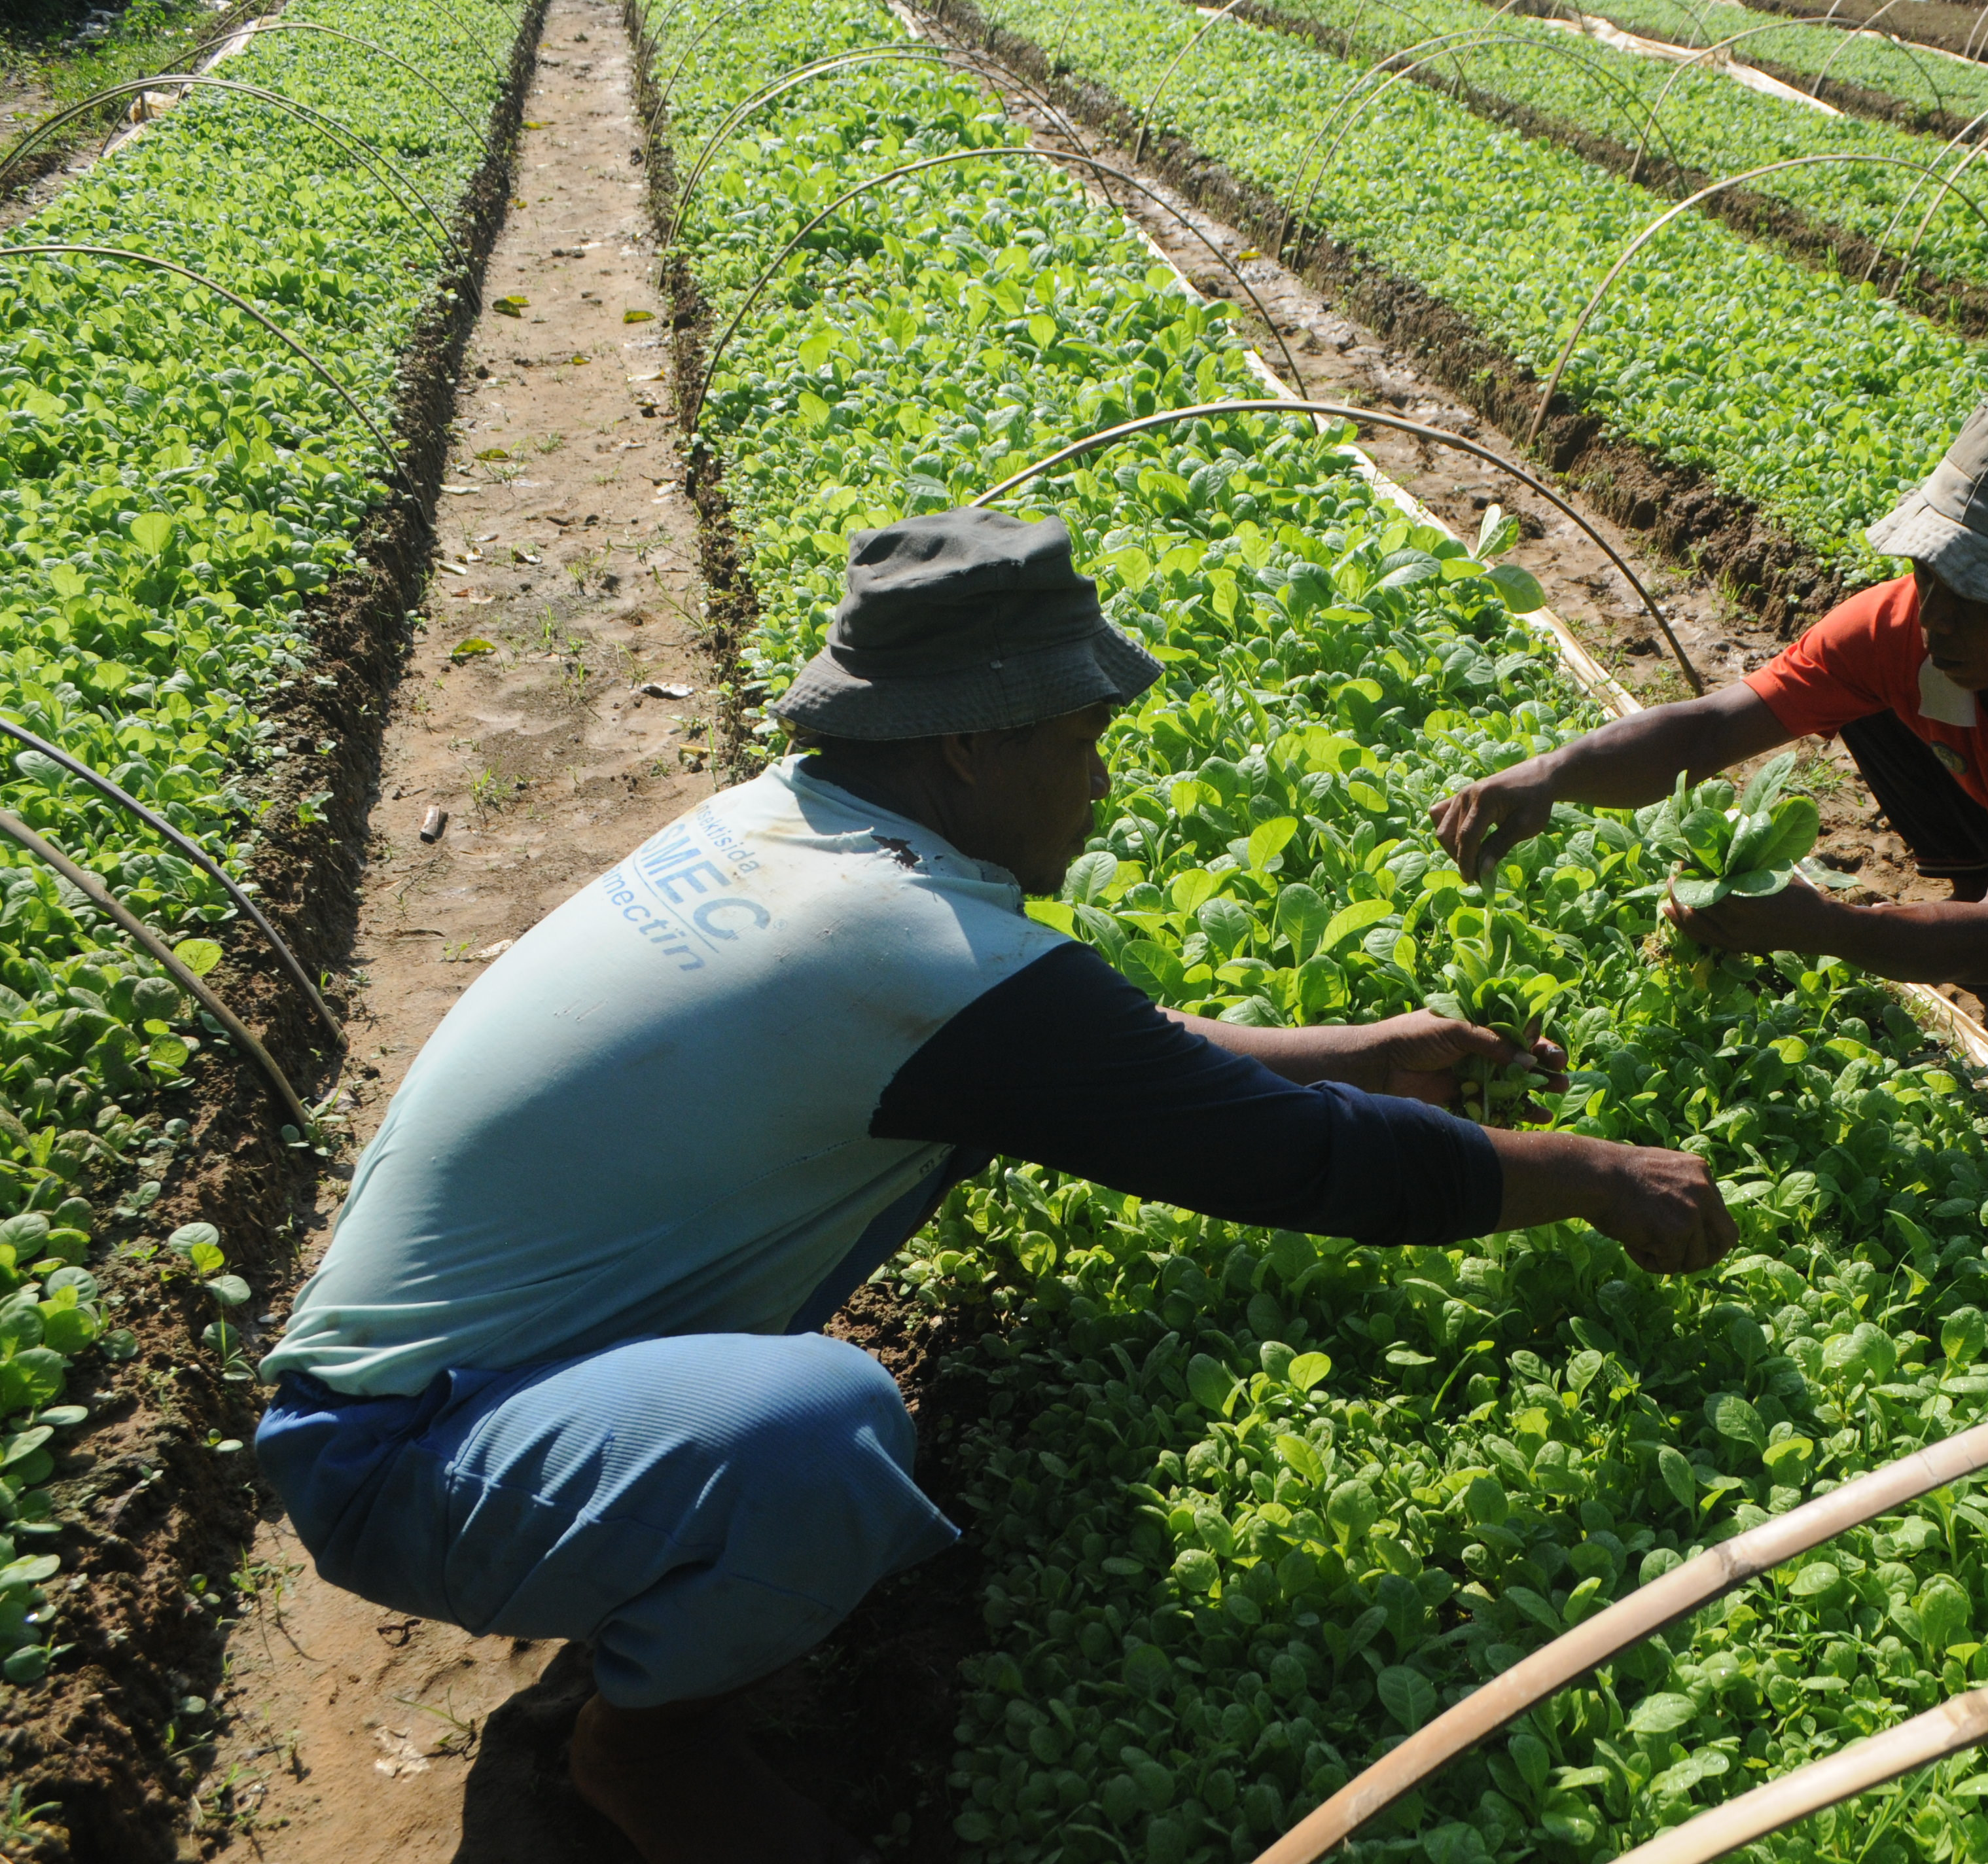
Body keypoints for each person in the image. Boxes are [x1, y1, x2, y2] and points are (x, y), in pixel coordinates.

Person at [253, 509, 1735, 1864]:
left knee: (873, 1259)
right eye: (1083, 736)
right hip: (404, 1456)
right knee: (817, 1435)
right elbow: (1300, 1162)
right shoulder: (897, 947)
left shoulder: (793, 831)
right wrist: (1593, 1173)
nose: (1102, 778)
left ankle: (652, 1567)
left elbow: (1067, 1052)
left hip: (473, 1387)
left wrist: (1349, 1050)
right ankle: (643, 1748)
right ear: (968, 743)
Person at [1433, 397, 1988, 1115]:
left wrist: (1823, 928)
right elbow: (1711, 730)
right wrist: (1552, 774)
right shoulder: (1901, 628)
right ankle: (1987, 930)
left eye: (1980, 598)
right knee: (1881, 702)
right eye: (1931, 577)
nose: (1938, 618)